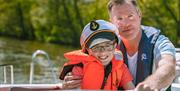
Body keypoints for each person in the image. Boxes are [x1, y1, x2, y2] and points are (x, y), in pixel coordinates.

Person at [61, 0, 176, 90]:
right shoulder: (107, 44)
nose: (126, 24)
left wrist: (151, 84)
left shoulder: (160, 42)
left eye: (130, 16)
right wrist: (71, 83)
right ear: (111, 21)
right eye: (119, 18)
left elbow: (168, 68)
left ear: (139, 15)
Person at [59, 20, 135, 90]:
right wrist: (65, 87)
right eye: (96, 47)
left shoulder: (121, 67)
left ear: (115, 45)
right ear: (88, 50)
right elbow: (71, 88)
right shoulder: (79, 69)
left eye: (108, 45)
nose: (103, 52)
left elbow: (131, 89)